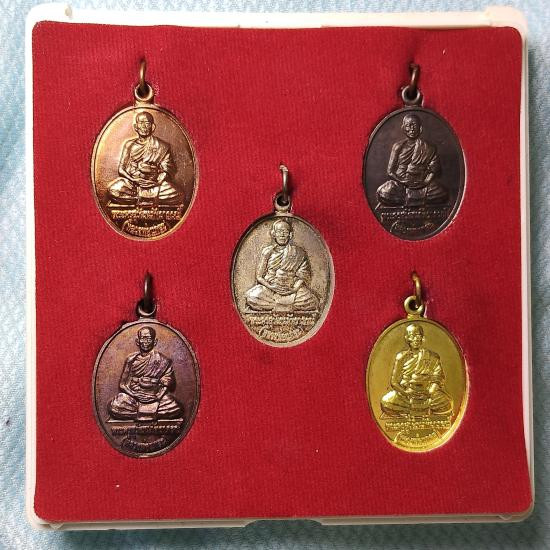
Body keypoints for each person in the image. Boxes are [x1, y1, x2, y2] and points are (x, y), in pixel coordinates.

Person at [108, 111, 182, 206]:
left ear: (152, 127)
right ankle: (144, 197)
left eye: (147, 123)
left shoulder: (162, 146)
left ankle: (140, 198)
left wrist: (159, 180)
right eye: (141, 123)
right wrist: (133, 180)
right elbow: (121, 169)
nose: (144, 127)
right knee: (114, 189)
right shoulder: (129, 145)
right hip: (133, 184)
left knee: (178, 194)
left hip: (154, 184)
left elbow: (167, 167)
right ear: (136, 127)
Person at [109, 326, 183, 421]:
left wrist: (158, 396)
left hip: (156, 397)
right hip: (134, 398)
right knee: (116, 405)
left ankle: (140, 414)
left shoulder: (164, 360)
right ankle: (148, 414)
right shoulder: (131, 360)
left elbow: (169, 384)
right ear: (137, 341)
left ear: (154, 342)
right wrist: (134, 395)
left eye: (149, 339)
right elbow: (122, 385)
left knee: (175, 406)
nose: (146, 342)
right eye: (143, 338)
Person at [246, 219, 319, 312]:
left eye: (285, 231)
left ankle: (276, 306)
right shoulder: (267, 252)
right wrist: (271, 287)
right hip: (270, 289)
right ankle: (285, 306)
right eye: (279, 231)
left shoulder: (299, 252)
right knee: (252, 296)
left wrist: (294, 289)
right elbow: (259, 277)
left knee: (312, 300)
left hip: (291, 288)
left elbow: (304, 275)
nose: (282, 234)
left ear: (290, 235)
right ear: (274, 234)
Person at [381, 323, 452, 418]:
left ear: (422, 338)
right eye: (412, 336)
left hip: (428, 393)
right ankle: (411, 411)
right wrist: (405, 392)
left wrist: (430, 391)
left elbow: (438, 377)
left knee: (447, 403)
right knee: (386, 402)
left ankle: (418, 409)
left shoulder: (432, 356)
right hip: (407, 394)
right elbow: (394, 382)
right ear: (407, 338)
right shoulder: (401, 357)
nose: (415, 339)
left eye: (418, 336)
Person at [377, 114, 448, 207]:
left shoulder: (429, 147)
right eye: (408, 125)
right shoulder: (398, 146)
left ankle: (408, 199)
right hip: (401, 185)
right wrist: (402, 181)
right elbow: (390, 172)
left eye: (414, 125)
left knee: (442, 192)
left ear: (420, 128)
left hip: (422, 185)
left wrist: (425, 182)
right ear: (403, 128)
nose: (412, 129)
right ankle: (412, 198)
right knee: (384, 192)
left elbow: (434, 170)